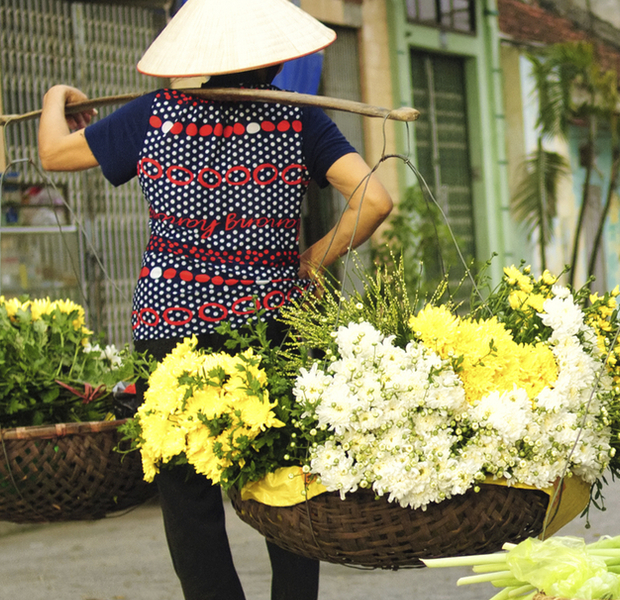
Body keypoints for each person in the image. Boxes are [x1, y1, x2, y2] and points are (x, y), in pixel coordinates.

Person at [33, 0, 394, 598]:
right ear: (274, 51)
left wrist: (55, 98)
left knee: (187, 489)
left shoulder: (154, 115)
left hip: (170, 326)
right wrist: (310, 261)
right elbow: (374, 200)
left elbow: (52, 154)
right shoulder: (300, 120)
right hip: (269, 325)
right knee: (284, 478)